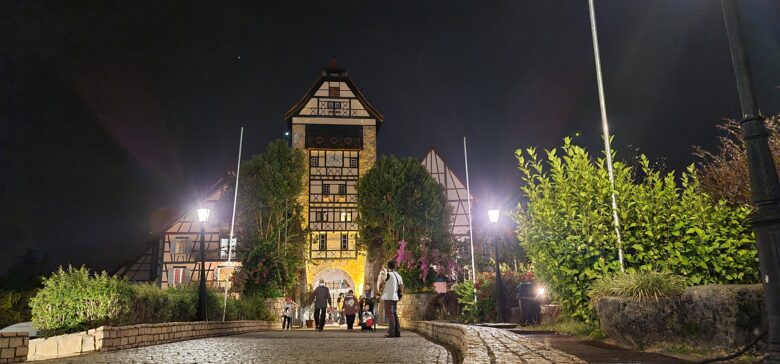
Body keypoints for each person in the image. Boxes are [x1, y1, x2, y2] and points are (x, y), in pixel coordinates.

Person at [378, 260, 404, 338]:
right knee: (394, 314)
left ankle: (391, 332)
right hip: (395, 297)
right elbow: (402, 286)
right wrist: (401, 294)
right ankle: (397, 332)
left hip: (389, 297)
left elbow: (382, 281)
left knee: (391, 315)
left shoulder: (388, 275)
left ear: (388, 267)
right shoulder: (398, 275)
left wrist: (383, 271)